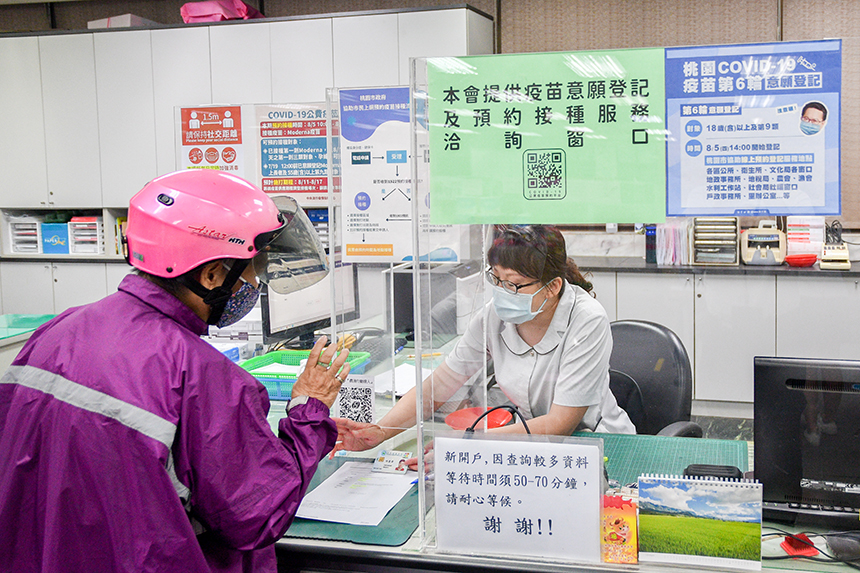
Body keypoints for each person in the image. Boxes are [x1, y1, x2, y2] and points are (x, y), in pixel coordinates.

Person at [0, 170, 350, 573]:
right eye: (253, 270)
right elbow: (261, 513)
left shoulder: (59, 330)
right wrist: (310, 409)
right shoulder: (202, 377)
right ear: (213, 275)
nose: (257, 283)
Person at [333, 225, 634, 458]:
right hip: (529, 442)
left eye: (514, 284)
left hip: (596, 441)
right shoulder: (494, 316)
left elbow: (560, 423)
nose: (502, 292)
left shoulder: (587, 320)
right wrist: (381, 431)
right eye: (496, 279)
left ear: (553, 286)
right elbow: (437, 387)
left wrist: (467, 448)